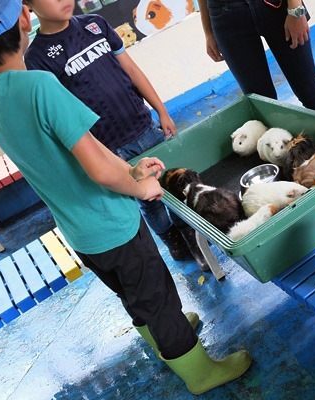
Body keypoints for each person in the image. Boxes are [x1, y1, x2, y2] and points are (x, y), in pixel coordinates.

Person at [0, 0, 251, 395]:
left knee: (134, 294)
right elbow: (97, 164)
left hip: (78, 228)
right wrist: (140, 185)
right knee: (159, 297)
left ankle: (164, 342)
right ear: (24, 17)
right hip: (109, 220)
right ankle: (200, 372)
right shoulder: (39, 85)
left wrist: (128, 169)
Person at [23, 0, 192, 262]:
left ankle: (188, 229)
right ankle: (170, 237)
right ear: (29, 6)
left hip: (145, 126)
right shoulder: (36, 58)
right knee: (149, 199)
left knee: (171, 181)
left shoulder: (96, 24)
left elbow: (132, 70)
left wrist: (161, 110)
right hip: (110, 149)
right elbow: (60, 114)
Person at [196, 0, 315, 115]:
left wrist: (296, 9)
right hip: (225, 14)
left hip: (276, 6)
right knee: (262, 103)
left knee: (310, 90)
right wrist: (208, 31)